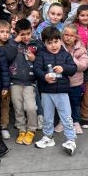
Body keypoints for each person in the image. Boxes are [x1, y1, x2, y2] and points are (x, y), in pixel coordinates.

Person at [33, 27, 77, 155]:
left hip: (62, 92)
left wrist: (63, 68)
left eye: (56, 41)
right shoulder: (41, 55)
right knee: (47, 116)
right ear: (44, 43)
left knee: (66, 116)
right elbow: (36, 70)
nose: (53, 45)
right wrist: (44, 76)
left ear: (60, 41)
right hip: (46, 92)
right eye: (49, 42)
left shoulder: (65, 54)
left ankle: (71, 139)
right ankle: (48, 137)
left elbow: (73, 69)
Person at [5, 18, 39, 145]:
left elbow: (41, 61)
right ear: (16, 33)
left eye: (28, 34)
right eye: (22, 34)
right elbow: (7, 57)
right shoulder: (11, 43)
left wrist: (34, 58)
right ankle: (21, 129)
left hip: (30, 81)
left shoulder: (36, 44)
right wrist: (14, 42)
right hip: (15, 81)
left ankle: (31, 130)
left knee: (30, 107)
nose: (25, 37)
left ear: (31, 32)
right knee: (18, 107)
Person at [57, 25, 88, 135]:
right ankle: (63, 121)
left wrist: (71, 57)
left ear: (76, 37)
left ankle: (75, 122)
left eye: (72, 35)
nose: (68, 37)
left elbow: (84, 65)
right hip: (61, 82)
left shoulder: (81, 48)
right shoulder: (58, 46)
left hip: (76, 82)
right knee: (62, 104)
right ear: (62, 35)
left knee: (75, 103)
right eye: (66, 35)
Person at [0, 20, 12, 139]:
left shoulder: (12, 45)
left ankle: (4, 126)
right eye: (2, 32)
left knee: (5, 104)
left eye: (7, 32)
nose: (5, 34)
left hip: (6, 80)